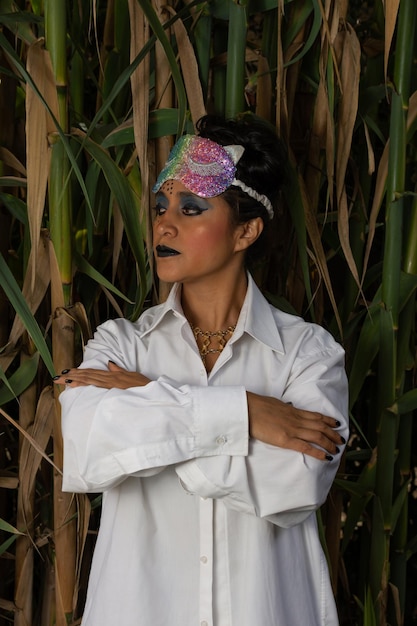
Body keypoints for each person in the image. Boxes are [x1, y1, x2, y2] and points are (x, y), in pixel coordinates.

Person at [53, 114, 348, 626]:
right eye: (161, 205)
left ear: (246, 231)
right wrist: (248, 414)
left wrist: (148, 398)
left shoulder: (308, 355)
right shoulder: (119, 345)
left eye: (191, 209)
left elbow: (296, 483)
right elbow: (89, 445)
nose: (164, 224)